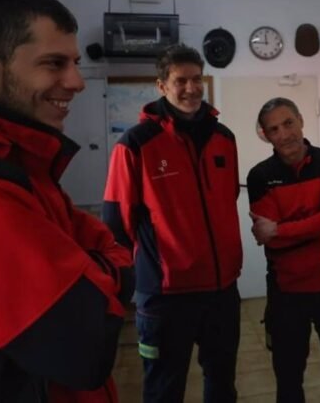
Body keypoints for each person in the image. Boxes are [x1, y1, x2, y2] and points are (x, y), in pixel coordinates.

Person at [0, 0, 134, 402]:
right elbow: (86, 344)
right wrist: (113, 266)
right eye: (54, 64)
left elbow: (94, 240)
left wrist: (94, 264)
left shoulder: (20, 159)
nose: (77, 82)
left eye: (76, 63)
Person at [103, 45, 242, 402]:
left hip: (222, 291)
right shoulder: (135, 144)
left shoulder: (223, 138)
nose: (192, 88)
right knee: (165, 390)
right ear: (162, 85)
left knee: (223, 385)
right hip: (166, 297)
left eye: (197, 79)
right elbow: (118, 221)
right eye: (181, 81)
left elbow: (226, 201)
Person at [247, 98, 320, 403]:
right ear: (266, 135)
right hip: (286, 293)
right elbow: (268, 238)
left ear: (301, 120)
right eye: (274, 129)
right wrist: (311, 225)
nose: (284, 134)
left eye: (288, 123)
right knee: (288, 379)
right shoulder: (260, 176)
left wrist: (282, 228)